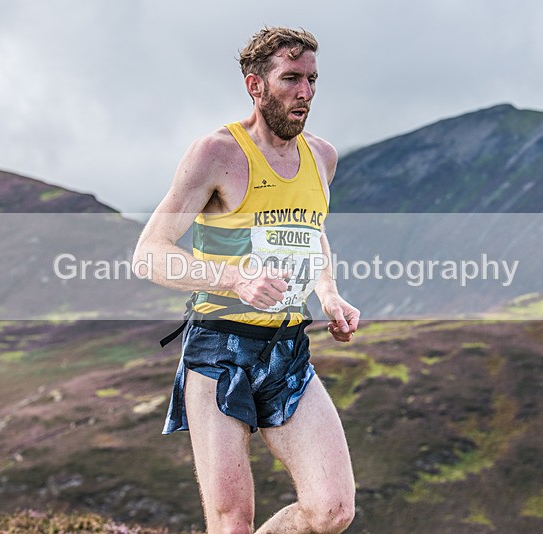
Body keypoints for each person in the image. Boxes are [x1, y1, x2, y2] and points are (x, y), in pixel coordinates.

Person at [133, 26, 358, 534]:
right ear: (255, 86)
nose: (306, 92)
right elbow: (148, 253)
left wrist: (329, 294)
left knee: (332, 510)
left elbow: (312, 233)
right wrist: (234, 279)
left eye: (312, 79)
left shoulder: (323, 156)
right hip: (219, 351)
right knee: (232, 521)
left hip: (288, 349)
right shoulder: (216, 153)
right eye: (291, 79)